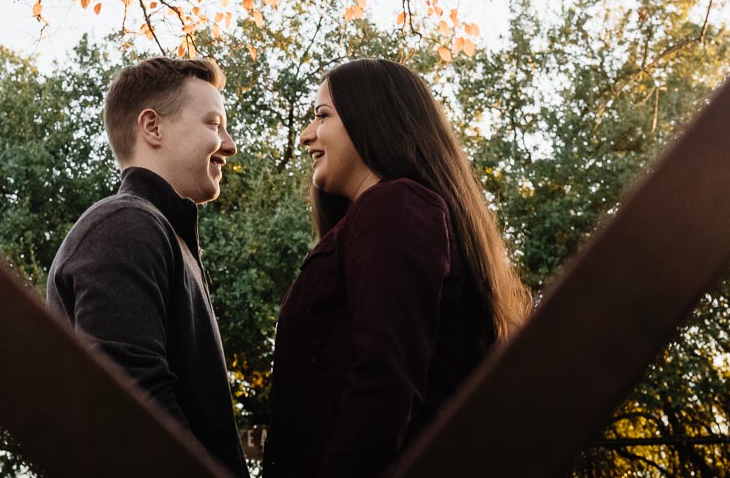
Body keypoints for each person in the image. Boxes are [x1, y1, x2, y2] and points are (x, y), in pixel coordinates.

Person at [262, 58, 533, 478]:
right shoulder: (380, 217)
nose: (306, 136)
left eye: (322, 116)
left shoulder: (395, 206)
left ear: (372, 117)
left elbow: (384, 380)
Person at [46, 56, 249, 477]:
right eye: (214, 124)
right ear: (153, 127)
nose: (229, 145)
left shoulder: (160, 233)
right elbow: (136, 409)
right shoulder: (125, 227)